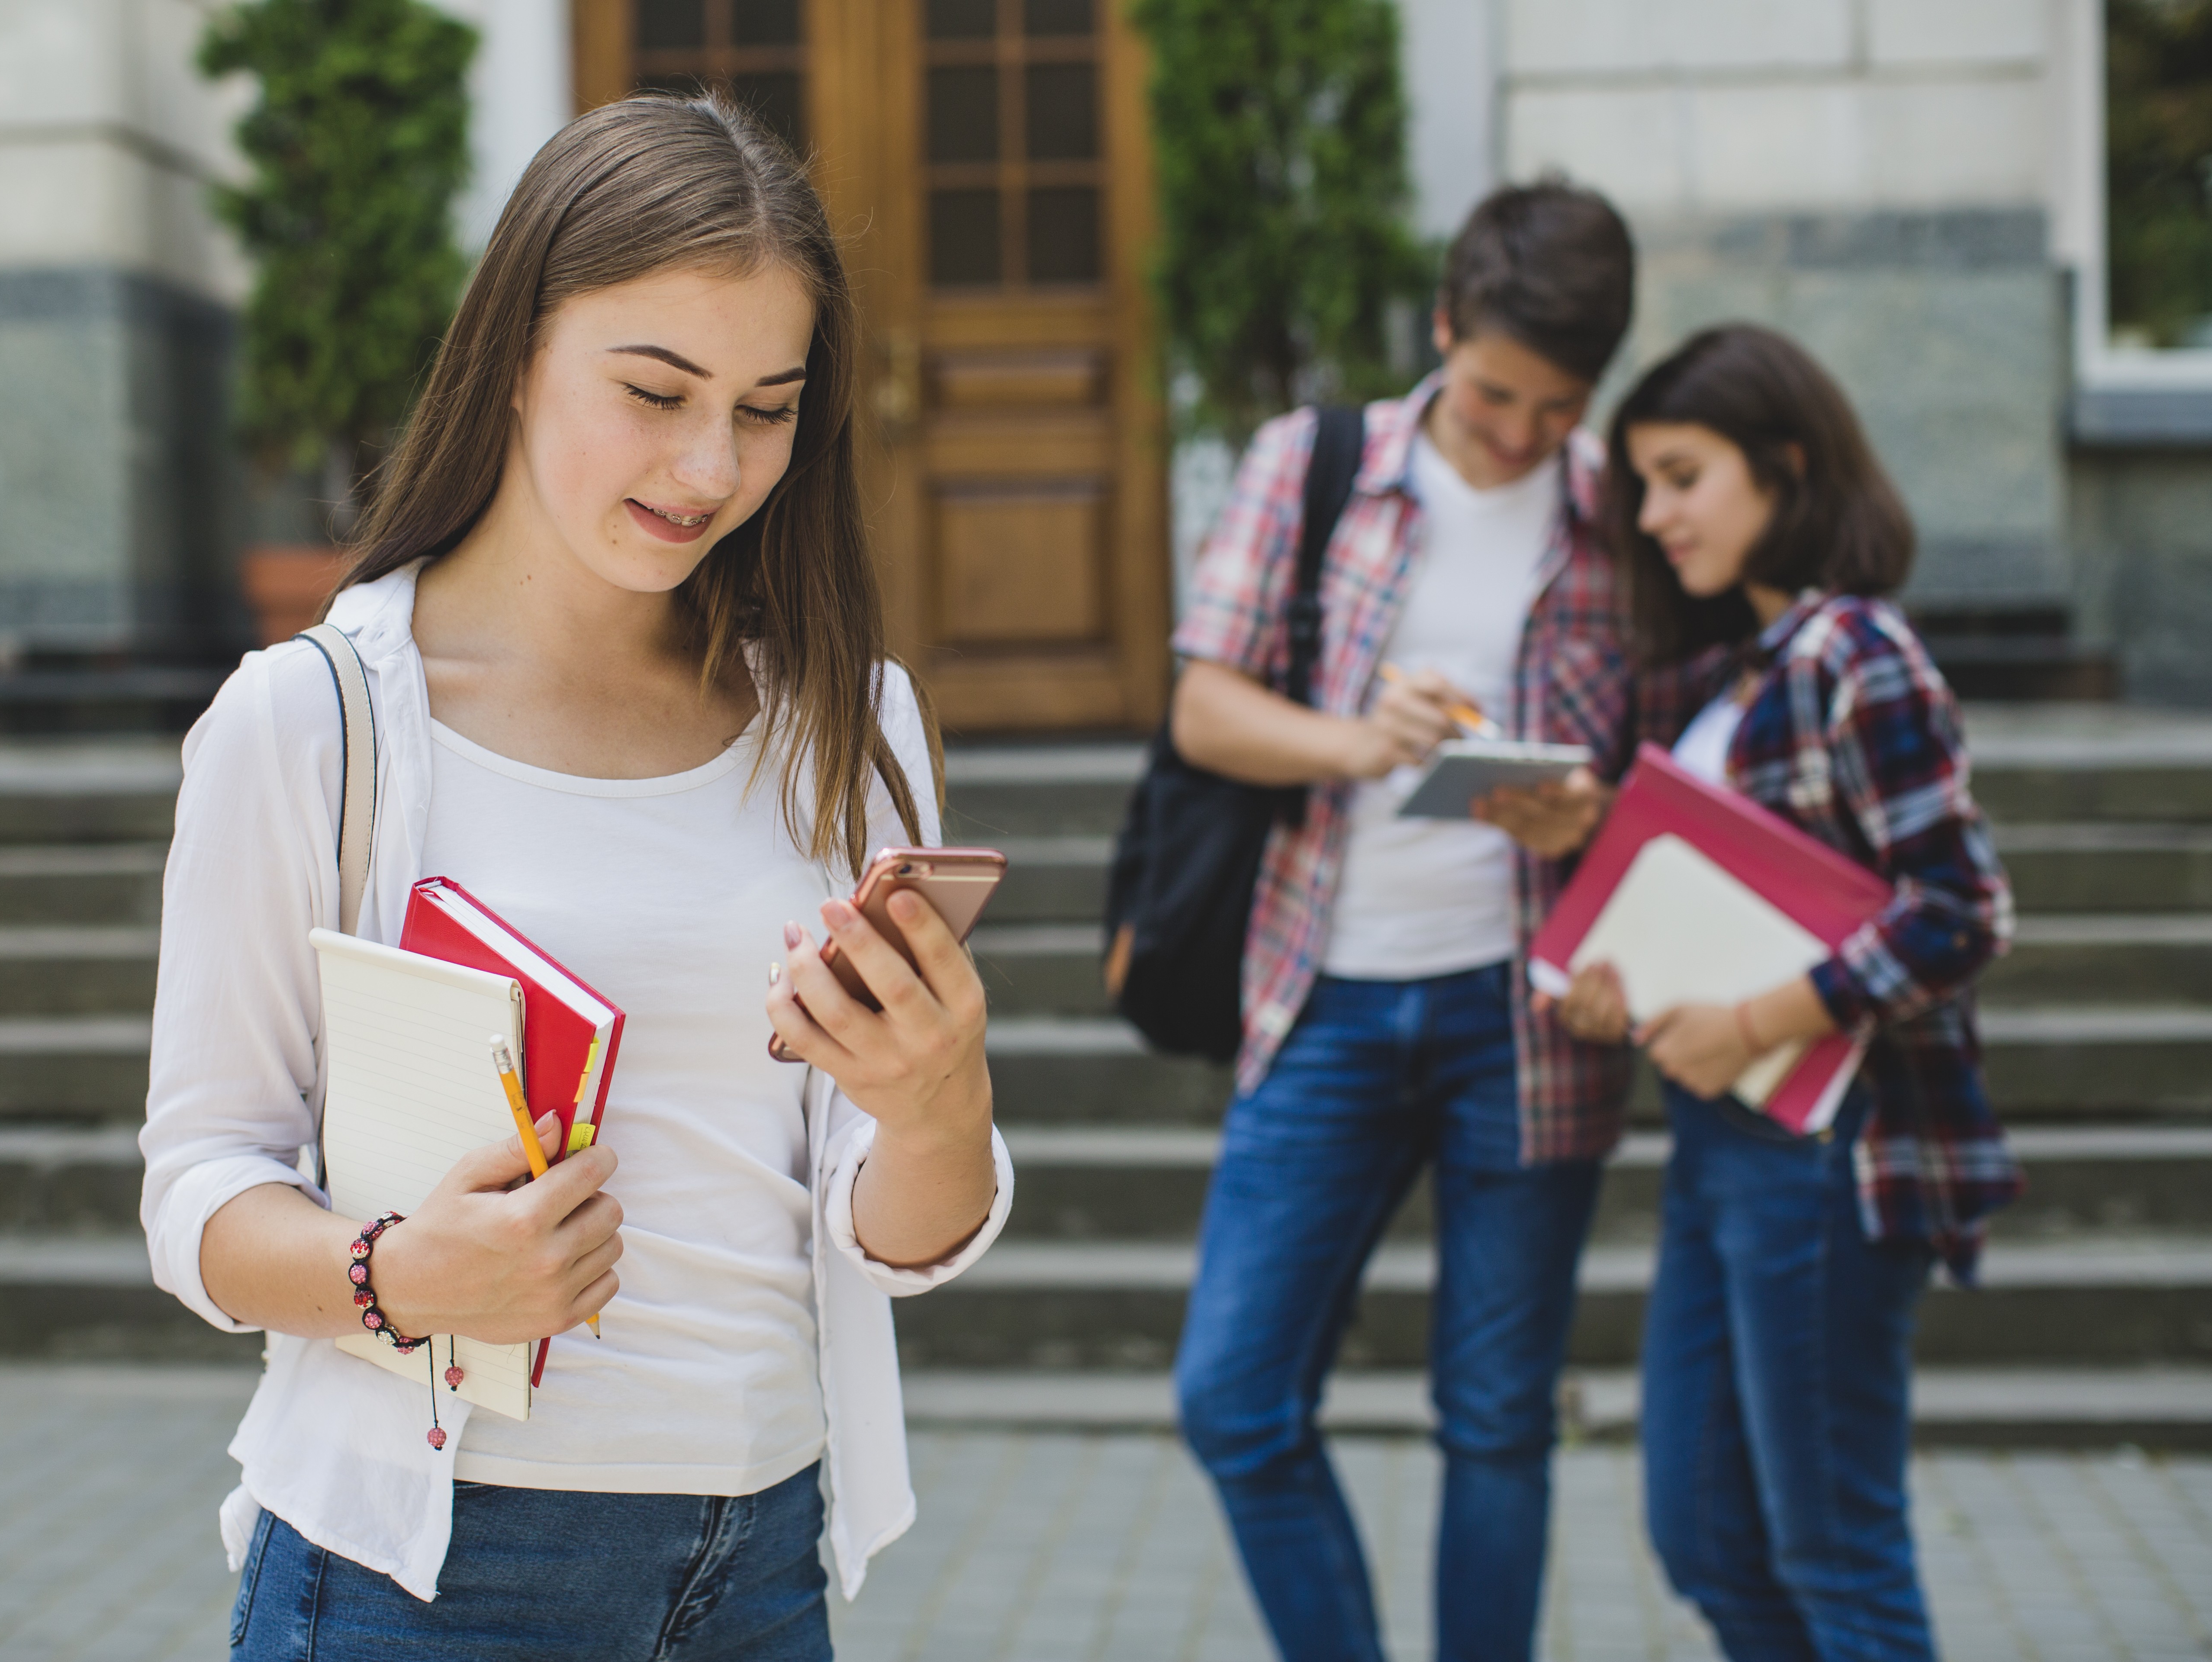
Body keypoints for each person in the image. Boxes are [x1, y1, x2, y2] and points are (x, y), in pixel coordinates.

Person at [138, 94, 1013, 1660]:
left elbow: (894, 1235)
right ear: (519, 349)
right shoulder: (317, 723)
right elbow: (197, 1187)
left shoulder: (848, 721)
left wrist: (941, 1103)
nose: (710, 464)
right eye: (657, 391)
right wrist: (400, 1276)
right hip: (427, 1582)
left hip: (759, 1563)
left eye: (767, 407)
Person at [1168, 181, 1698, 1662]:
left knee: (1498, 1422)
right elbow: (1204, 708)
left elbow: (1675, 789)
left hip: (1526, 1021)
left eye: (1558, 406)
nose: (1522, 432)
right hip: (1323, 998)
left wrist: (1588, 819)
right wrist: (1356, 739)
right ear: (1446, 328)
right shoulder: (1313, 464)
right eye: (1494, 393)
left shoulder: (1622, 519)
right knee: (1232, 1396)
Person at [1549, 322, 2020, 1661]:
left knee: (1834, 1550)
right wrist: (1616, 985)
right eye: (1643, 483)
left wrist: (1755, 1022)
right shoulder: (1739, 668)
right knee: (1704, 1533)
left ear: (1787, 467)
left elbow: (1962, 909)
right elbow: (1744, 910)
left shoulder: (1854, 654)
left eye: (1684, 477)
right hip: (1727, 1144)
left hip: (1832, 1157)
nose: (1656, 516)